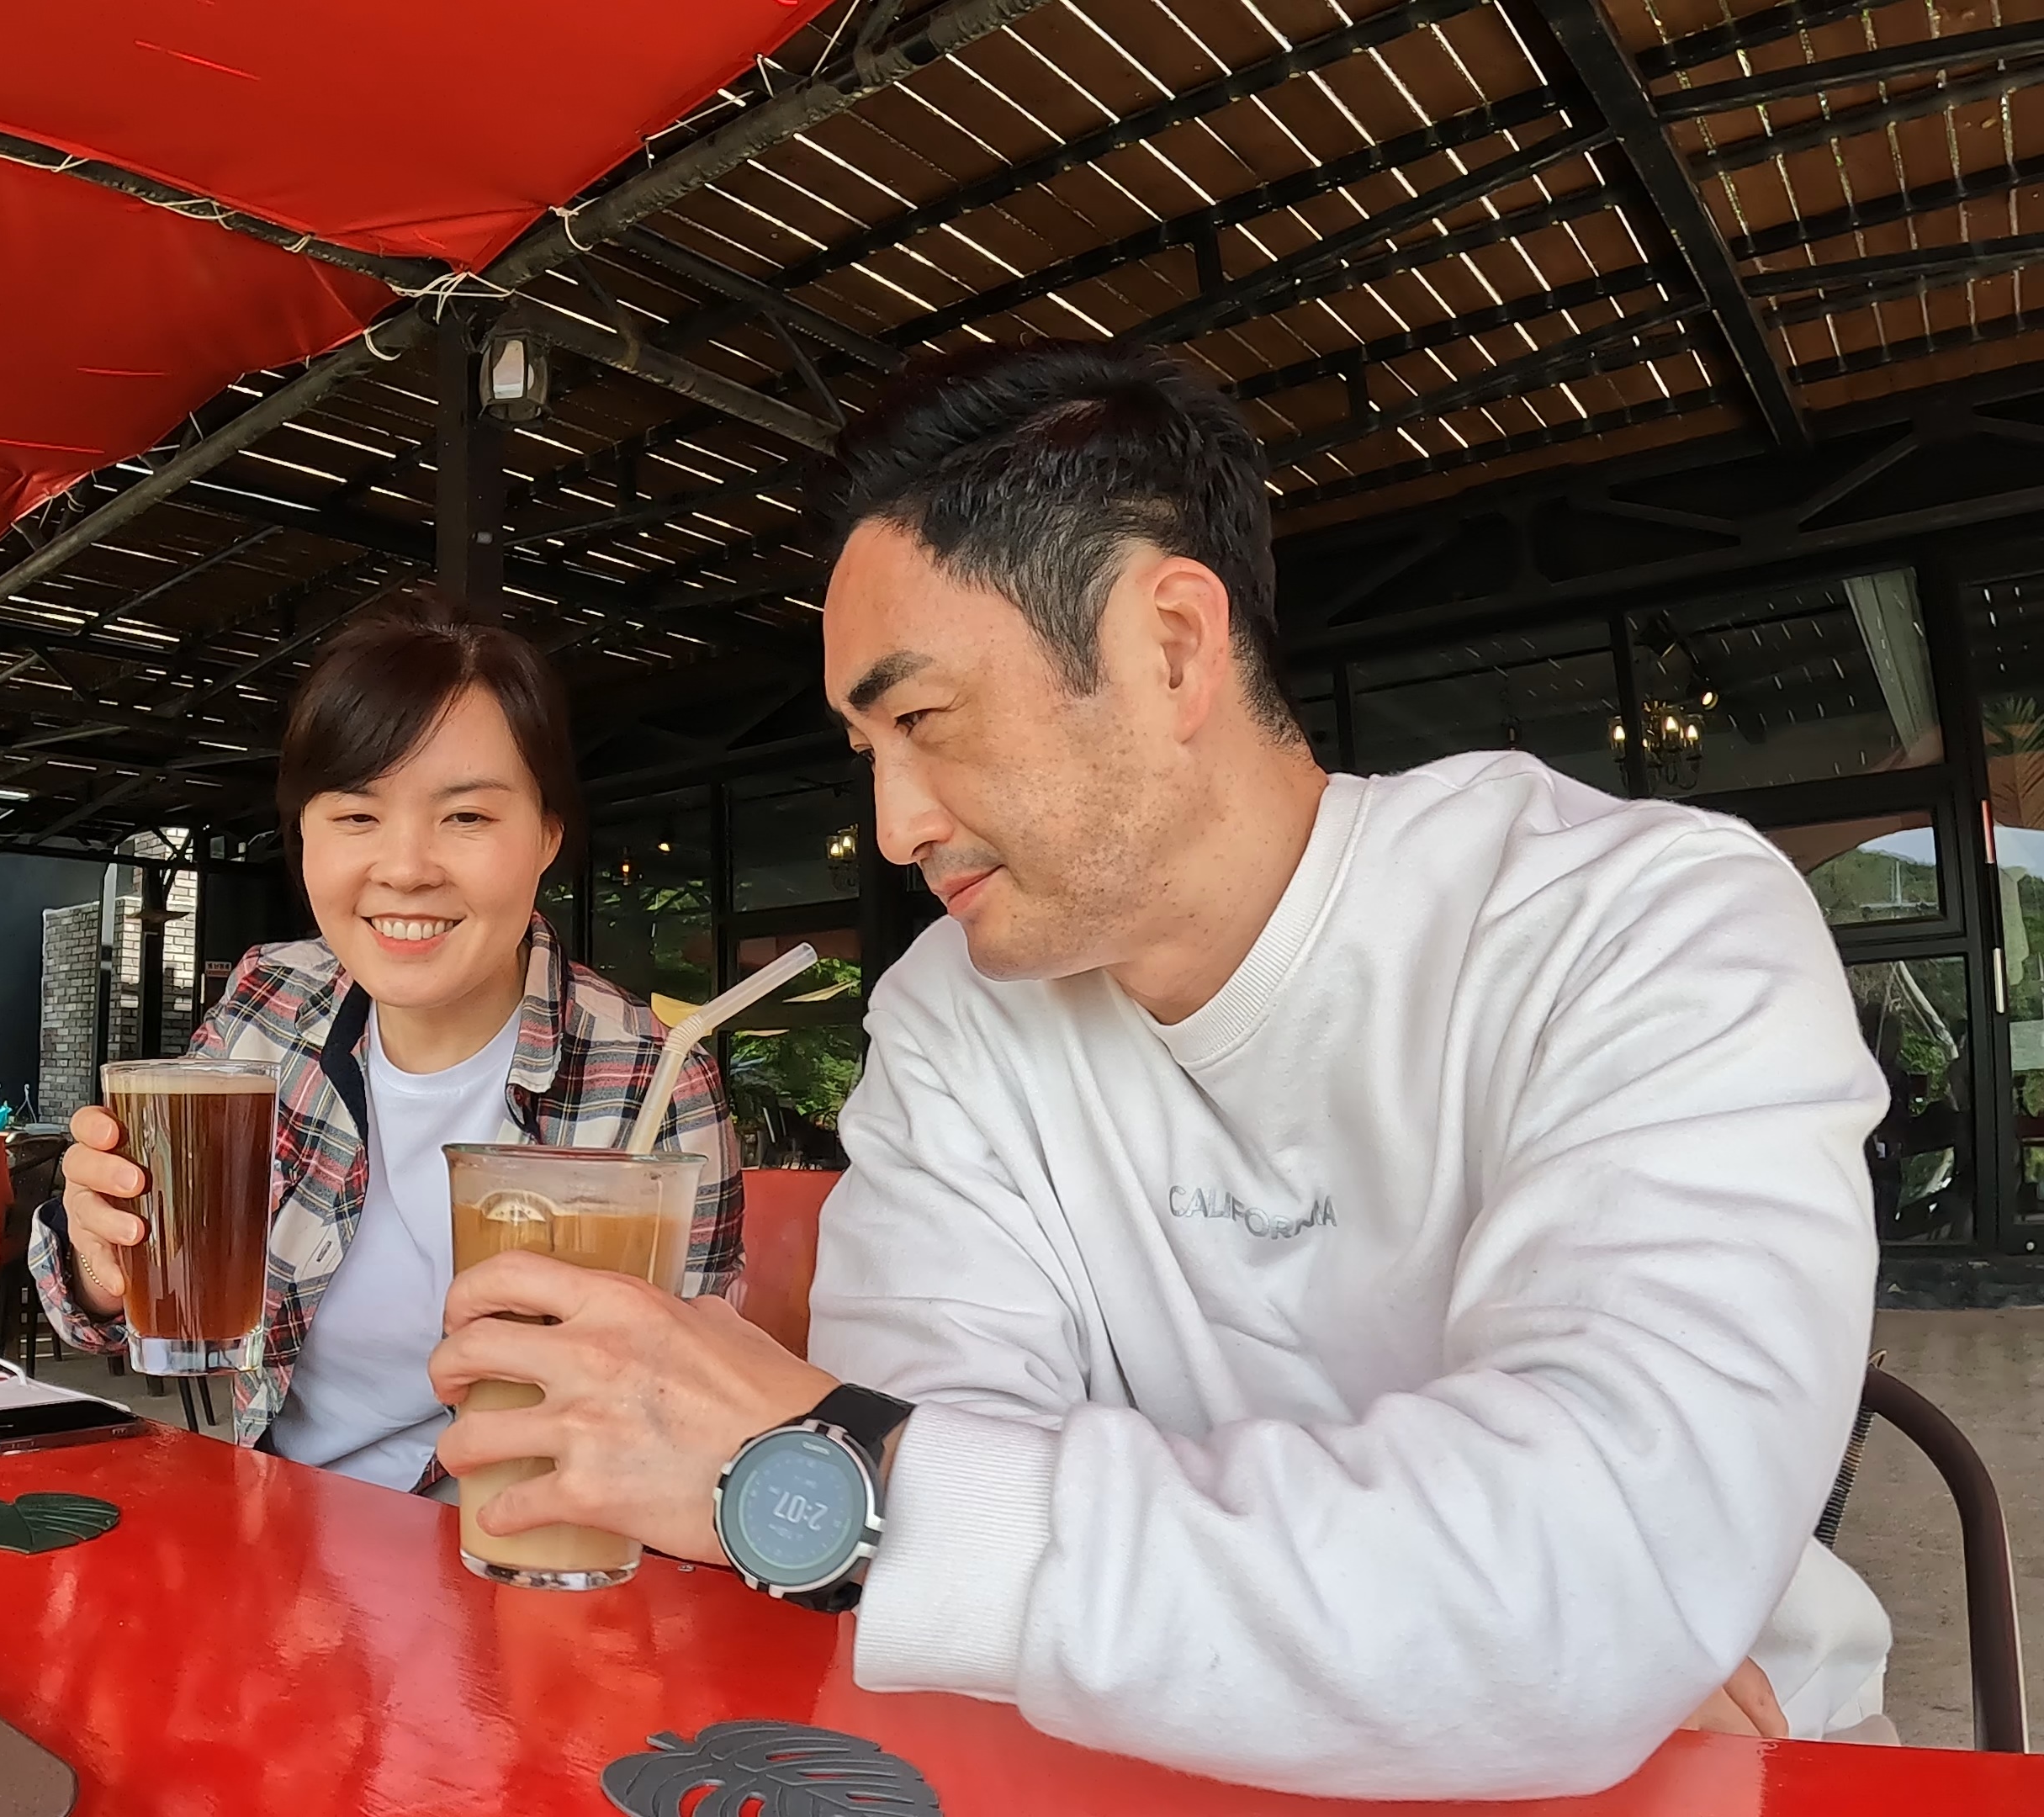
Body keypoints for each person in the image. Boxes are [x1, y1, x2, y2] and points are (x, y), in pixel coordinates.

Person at [425, 341, 1889, 1798]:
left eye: (922, 720)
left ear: (1172, 648)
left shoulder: (1639, 926)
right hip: (1125, 1773)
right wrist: (1454, 1648)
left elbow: (1569, 1592)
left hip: (1710, 1780)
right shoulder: (956, 1017)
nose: (894, 824)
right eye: (868, 747)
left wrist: (1544, 1640)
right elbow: (938, 1536)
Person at [30, 596, 740, 1490]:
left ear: (546, 838)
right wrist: (104, 1261)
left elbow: (688, 1416)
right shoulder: (270, 1003)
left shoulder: (648, 1077)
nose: (405, 869)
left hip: (514, 1541)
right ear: (305, 836)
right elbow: (104, 1311)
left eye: (467, 817)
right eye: (357, 817)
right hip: (280, 1518)